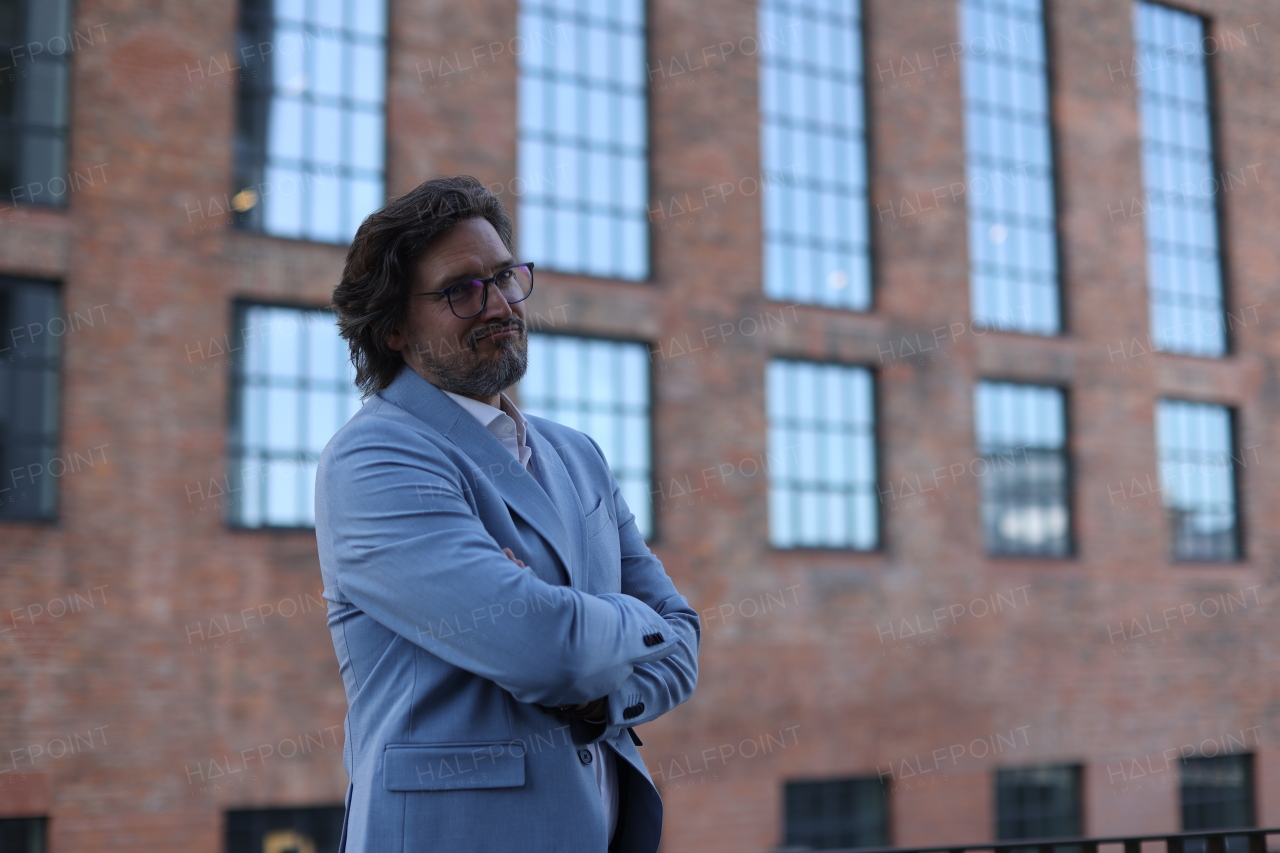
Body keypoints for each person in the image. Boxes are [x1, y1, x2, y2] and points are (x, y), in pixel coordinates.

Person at [316, 175, 700, 853]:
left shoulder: (577, 453)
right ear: (395, 327)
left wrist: (600, 687)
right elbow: (547, 646)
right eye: (463, 289)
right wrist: (628, 622)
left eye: (506, 277)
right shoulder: (374, 458)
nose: (498, 304)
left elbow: (685, 643)